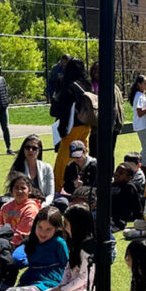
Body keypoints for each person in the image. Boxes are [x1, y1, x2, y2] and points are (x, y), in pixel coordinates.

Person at [51, 57, 94, 192]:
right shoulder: (87, 85)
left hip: (72, 126)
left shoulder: (68, 85)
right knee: (83, 154)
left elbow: (62, 110)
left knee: (65, 157)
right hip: (86, 124)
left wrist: (62, 128)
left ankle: (60, 187)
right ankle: (85, 182)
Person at [129, 75, 146, 165]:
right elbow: (140, 113)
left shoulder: (140, 95)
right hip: (140, 125)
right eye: (145, 83)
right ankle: (142, 166)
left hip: (142, 125)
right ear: (139, 84)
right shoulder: (139, 96)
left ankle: (141, 165)